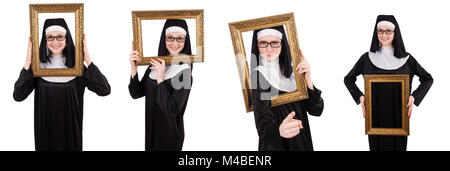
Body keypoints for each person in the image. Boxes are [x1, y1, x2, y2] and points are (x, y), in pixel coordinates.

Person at [13, 18, 111, 151]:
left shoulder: (77, 68)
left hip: (71, 138)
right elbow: (18, 96)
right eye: (50, 37)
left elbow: (104, 89)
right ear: (45, 39)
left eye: (60, 37)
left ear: (67, 38)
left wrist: (87, 58)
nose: (55, 42)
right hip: (45, 137)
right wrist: (27, 63)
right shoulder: (37, 68)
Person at [344, 15, 433, 151]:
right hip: (374, 121)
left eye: (388, 31)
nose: (384, 34)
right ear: (376, 33)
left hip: (400, 120)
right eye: (380, 30)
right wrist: (360, 97)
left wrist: (414, 97)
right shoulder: (367, 59)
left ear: (395, 33)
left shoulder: (407, 60)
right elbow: (348, 79)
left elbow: (427, 79)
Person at [250, 26, 324, 151]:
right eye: (263, 43)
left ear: (282, 43)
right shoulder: (259, 75)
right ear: (257, 45)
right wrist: (279, 130)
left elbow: (316, 111)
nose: (269, 49)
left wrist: (308, 81)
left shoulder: (295, 71)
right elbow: (262, 122)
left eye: (274, 43)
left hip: (302, 141)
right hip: (278, 145)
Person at [129, 19, 193, 151]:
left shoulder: (185, 72)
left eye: (179, 39)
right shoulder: (156, 64)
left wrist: (160, 79)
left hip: (169, 136)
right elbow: (136, 93)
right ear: (164, 39)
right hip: (151, 131)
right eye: (170, 38)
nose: (174, 43)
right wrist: (134, 67)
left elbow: (172, 110)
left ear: (185, 41)